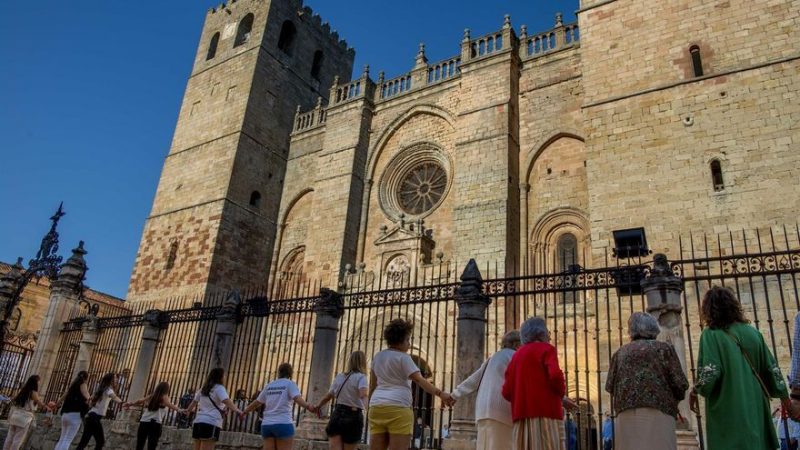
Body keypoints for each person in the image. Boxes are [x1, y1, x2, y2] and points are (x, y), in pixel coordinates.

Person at [690, 286, 792, 450]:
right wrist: (786, 399)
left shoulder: (711, 335)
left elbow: (710, 373)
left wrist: (696, 390)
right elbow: (772, 369)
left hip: (728, 409)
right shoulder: (753, 333)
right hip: (756, 406)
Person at [605, 312, 688, 450]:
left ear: (631, 331)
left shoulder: (619, 353)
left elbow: (610, 386)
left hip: (626, 414)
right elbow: (680, 383)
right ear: (654, 329)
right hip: (659, 412)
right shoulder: (664, 349)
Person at [368, 318, 453, 450]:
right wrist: (441, 394)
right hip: (398, 407)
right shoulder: (403, 358)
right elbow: (420, 381)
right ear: (400, 341)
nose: (409, 344)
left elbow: (373, 386)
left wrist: (370, 406)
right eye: (407, 340)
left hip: (377, 406)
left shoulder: (378, 357)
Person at [450, 330, 521, 450]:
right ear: (516, 345)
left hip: (483, 411)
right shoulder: (515, 356)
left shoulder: (492, 358)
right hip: (502, 409)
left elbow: (473, 379)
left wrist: (454, 394)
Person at [502, 317, 564, 450]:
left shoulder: (516, 356)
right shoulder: (547, 349)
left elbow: (506, 391)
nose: (549, 335)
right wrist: (560, 392)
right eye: (547, 332)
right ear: (540, 333)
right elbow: (555, 376)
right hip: (546, 413)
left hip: (521, 418)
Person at [240, 363, 316, 450]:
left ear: (279, 372)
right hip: (283, 423)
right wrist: (308, 406)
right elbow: (297, 398)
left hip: (267, 425)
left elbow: (257, 402)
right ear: (290, 374)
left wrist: (244, 412)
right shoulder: (290, 384)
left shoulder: (269, 385)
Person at [314, 350, 370, 450]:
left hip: (338, 414)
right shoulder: (362, 378)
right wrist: (370, 411)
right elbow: (363, 395)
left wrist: (318, 406)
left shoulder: (340, 377)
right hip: (353, 416)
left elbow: (329, 396)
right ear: (363, 362)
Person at [185, 368, 244, 450]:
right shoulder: (219, 388)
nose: (225, 377)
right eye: (224, 375)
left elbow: (194, 402)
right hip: (211, 421)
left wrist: (187, 411)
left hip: (198, 421)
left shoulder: (203, 389)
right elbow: (226, 400)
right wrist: (237, 410)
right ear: (220, 377)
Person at [123, 381, 183, 450]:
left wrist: (131, 404)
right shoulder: (165, 397)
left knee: (140, 444)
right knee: (152, 446)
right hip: (155, 423)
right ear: (167, 389)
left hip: (144, 421)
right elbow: (169, 404)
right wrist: (179, 410)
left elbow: (140, 401)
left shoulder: (152, 396)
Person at [76, 372, 124, 450]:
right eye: (115, 378)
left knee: (84, 441)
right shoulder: (108, 389)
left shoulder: (101, 388)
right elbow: (114, 397)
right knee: (100, 442)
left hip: (91, 416)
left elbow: (90, 400)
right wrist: (123, 403)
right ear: (111, 380)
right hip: (94, 417)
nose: (116, 380)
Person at [3, 375, 48, 450]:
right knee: (18, 440)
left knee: (9, 437)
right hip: (24, 418)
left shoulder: (23, 390)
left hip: (15, 415)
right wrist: (46, 407)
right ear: (35, 382)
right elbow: (39, 402)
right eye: (39, 381)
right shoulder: (33, 392)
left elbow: (14, 399)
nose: (39, 383)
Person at [54, 370, 91, 450]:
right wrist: (91, 401)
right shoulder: (83, 384)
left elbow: (63, 396)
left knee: (62, 439)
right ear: (86, 378)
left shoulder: (72, 385)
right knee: (67, 440)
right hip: (75, 415)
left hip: (65, 414)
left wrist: (57, 404)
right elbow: (86, 394)